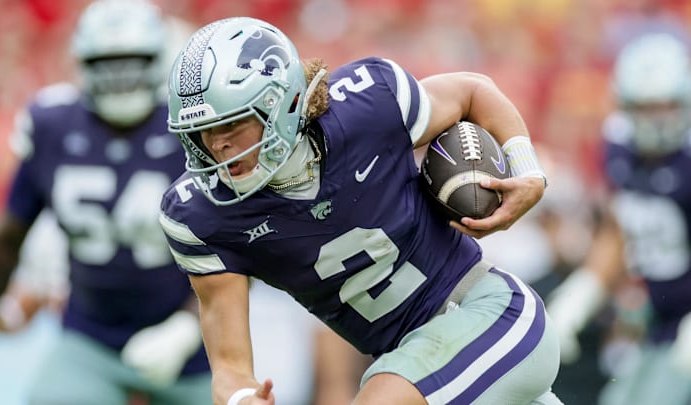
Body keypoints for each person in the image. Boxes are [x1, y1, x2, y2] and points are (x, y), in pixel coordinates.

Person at [159, 16, 560, 405]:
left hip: (492, 315)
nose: (216, 145)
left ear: (279, 105)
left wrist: (527, 169)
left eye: (231, 125)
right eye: (202, 132)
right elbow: (229, 368)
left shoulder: (370, 104)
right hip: (411, 362)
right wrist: (242, 398)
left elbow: (472, 91)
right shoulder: (201, 214)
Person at [0, 1, 212, 404]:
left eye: (132, 62)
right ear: (82, 63)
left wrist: (186, 330)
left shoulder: (191, 128)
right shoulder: (53, 125)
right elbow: (9, 236)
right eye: (107, 63)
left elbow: (238, 247)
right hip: (90, 338)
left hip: (195, 341)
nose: (120, 77)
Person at [545, 32, 691, 405]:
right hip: (662, 323)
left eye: (666, 107)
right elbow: (619, 228)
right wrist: (585, 290)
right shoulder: (619, 148)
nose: (656, 120)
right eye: (644, 108)